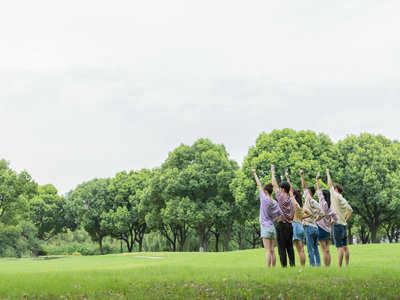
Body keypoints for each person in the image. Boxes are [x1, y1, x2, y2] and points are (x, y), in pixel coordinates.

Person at [252, 169, 283, 267]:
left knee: (267, 251)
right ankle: (273, 268)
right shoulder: (275, 203)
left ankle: (268, 269)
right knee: (272, 250)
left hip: (265, 227)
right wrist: (274, 220)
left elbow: (259, 185)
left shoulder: (264, 199)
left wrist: (255, 173)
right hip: (272, 227)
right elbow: (281, 215)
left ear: (266, 191)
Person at [326, 169, 353, 267]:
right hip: (344, 225)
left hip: (337, 225)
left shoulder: (335, 196)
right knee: (345, 247)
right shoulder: (344, 200)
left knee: (339, 247)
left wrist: (328, 173)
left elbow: (330, 184)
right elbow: (350, 211)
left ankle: (339, 266)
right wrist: (346, 219)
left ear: (336, 190)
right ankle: (346, 265)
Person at [271, 165, 295, 267]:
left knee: (281, 247)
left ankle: (284, 266)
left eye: (281, 188)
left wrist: (272, 171)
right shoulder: (292, 202)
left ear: (284, 189)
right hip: (290, 225)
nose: (279, 190)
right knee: (290, 247)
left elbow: (274, 185)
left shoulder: (281, 198)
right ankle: (292, 264)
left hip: (282, 226)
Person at [300, 170, 325, 267]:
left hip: (309, 228)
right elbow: (322, 214)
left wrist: (302, 175)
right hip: (315, 228)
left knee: (310, 249)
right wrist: (316, 219)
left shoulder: (308, 199)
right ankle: (318, 266)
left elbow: (304, 187)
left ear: (309, 193)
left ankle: (312, 266)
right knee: (316, 249)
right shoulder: (317, 203)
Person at [316, 172, 338, 267]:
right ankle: (328, 266)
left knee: (323, 250)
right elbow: (336, 218)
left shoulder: (323, 204)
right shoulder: (330, 207)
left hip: (320, 228)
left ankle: (326, 267)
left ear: (323, 197)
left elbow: (319, 191)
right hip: (328, 230)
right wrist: (331, 223)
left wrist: (317, 179)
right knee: (327, 250)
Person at [285, 173, 307, 266]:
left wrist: (287, 177)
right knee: (302, 250)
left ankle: (302, 268)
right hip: (301, 227)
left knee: (299, 251)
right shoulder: (302, 207)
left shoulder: (296, 205)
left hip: (295, 226)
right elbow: (306, 215)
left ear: (294, 196)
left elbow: (290, 190)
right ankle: (303, 267)